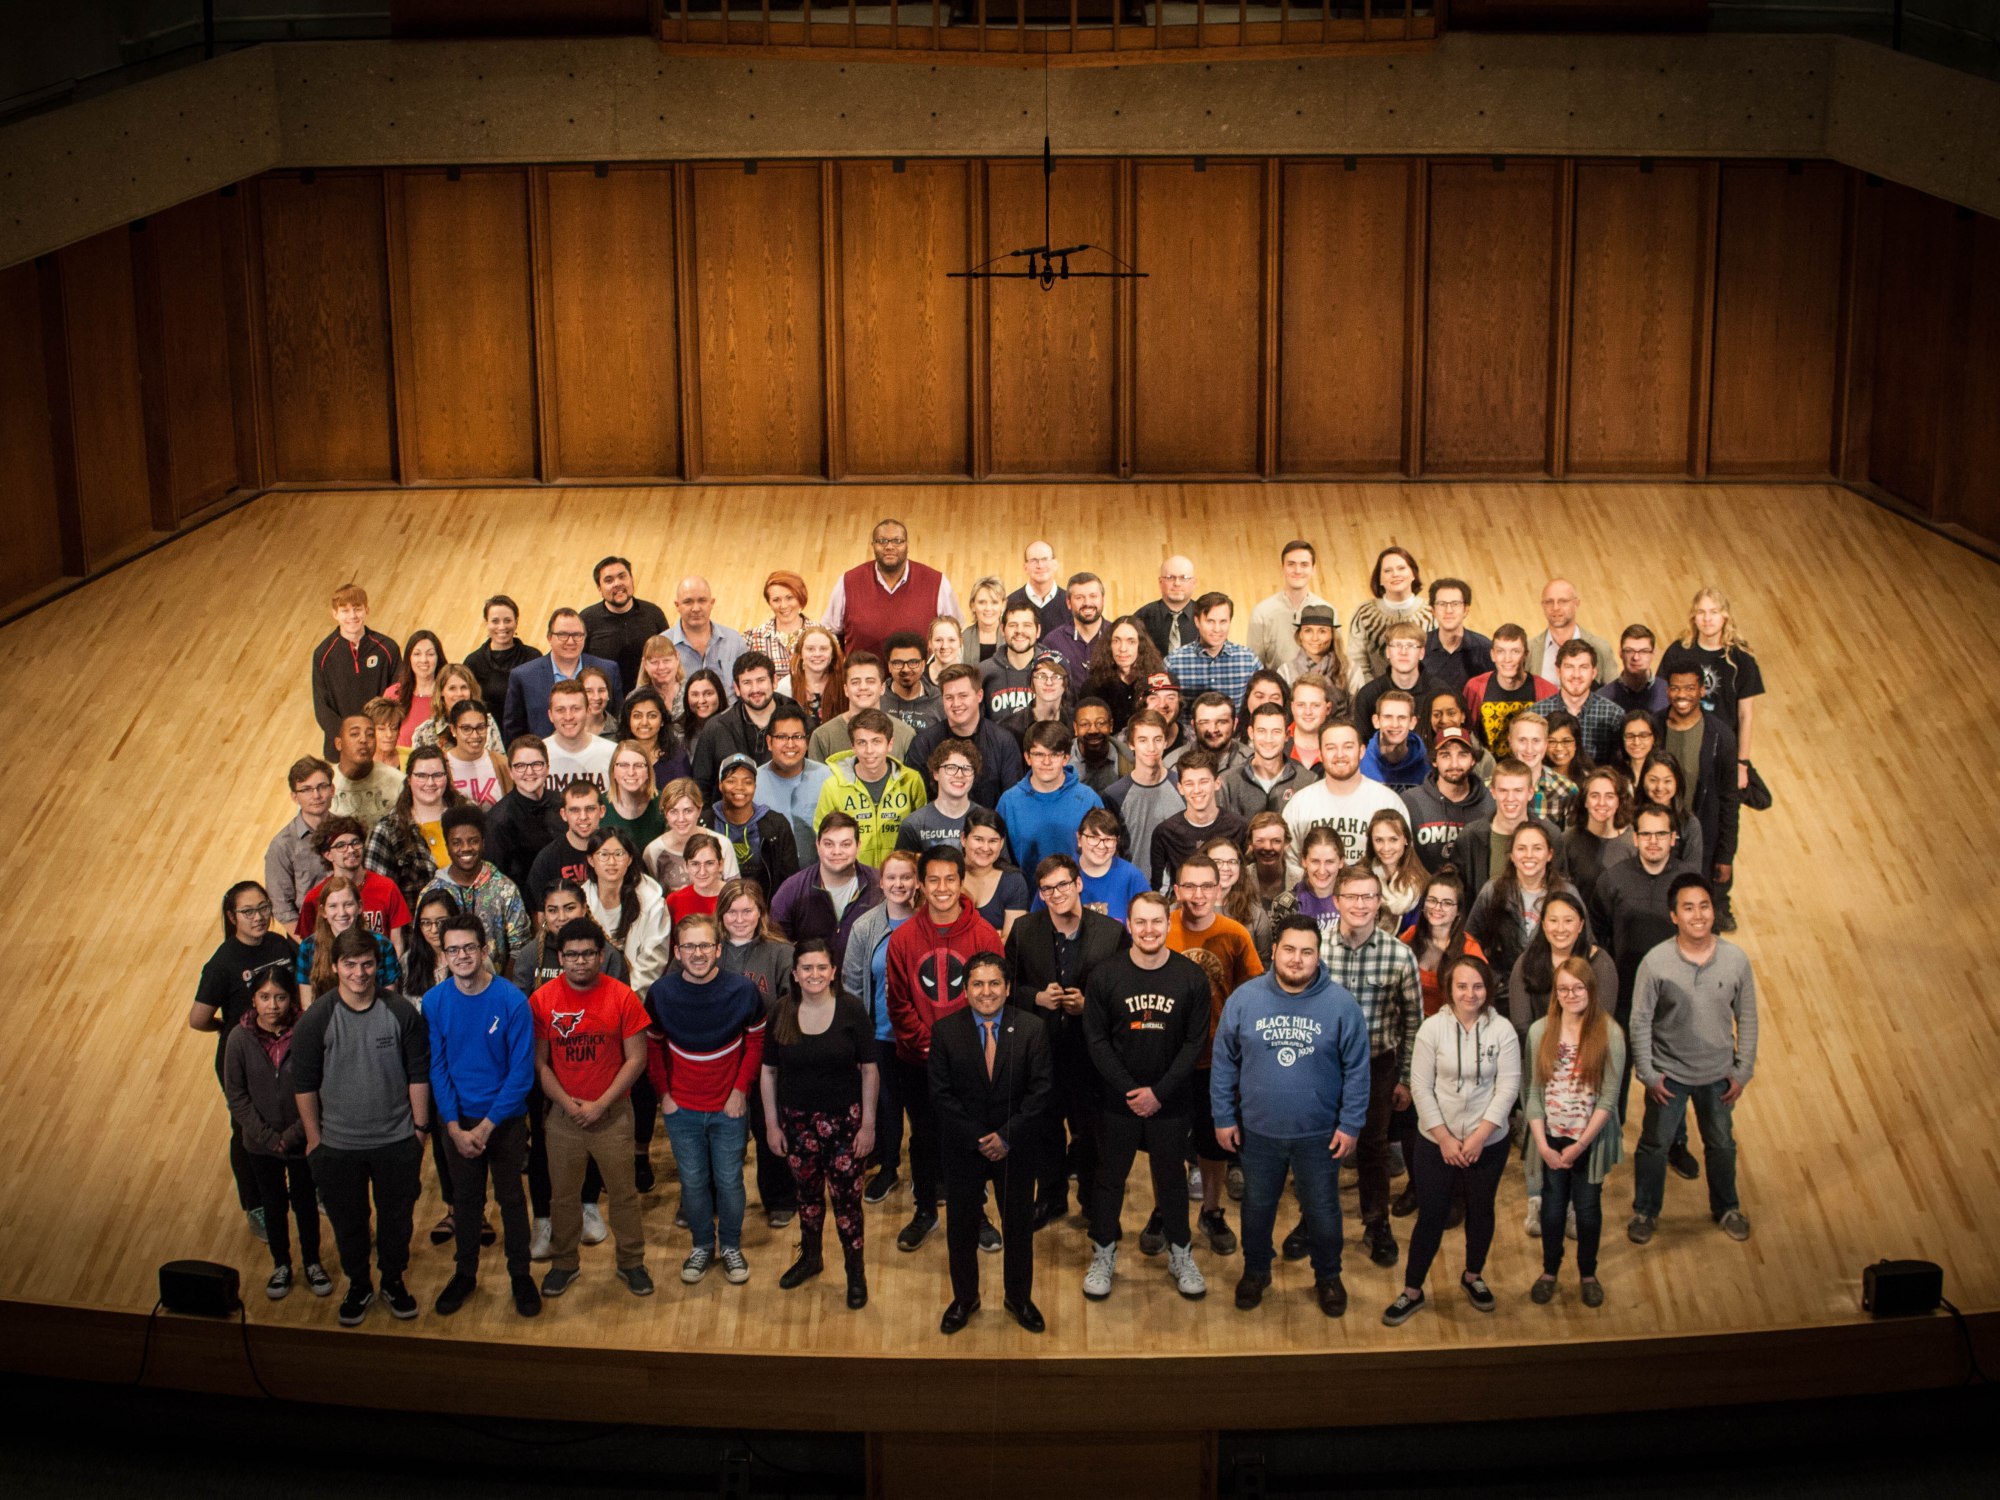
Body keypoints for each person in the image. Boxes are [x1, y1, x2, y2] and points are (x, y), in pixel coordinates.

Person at [1212, 915, 1370, 1316]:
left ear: (1318, 956)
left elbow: (1357, 1070)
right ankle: (1256, 1270)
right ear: (1273, 952)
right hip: (1257, 1132)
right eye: (1289, 950)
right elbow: (1224, 1062)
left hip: (1319, 1135)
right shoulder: (1244, 999)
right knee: (1256, 1208)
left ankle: (1328, 1275)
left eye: (1307, 952)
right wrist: (1223, 1116)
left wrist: (1351, 1124)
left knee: (1323, 1211)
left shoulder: (1342, 1005)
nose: (1297, 959)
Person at [292, 927, 429, 1327]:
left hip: (396, 1140)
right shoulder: (317, 1019)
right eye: (350, 964)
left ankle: (393, 1281)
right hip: (338, 1146)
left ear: (377, 965)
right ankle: (358, 1284)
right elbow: (304, 1085)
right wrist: (315, 1140)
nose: (359, 973)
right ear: (335, 967)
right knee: (349, 1224)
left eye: (367, 964)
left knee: (396, 1221)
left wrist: (420, 1131)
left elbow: (418, 1074)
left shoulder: (400, 1012)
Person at [1078, 891, 1210, 1300]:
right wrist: (1131, 1090)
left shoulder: (1191, 977)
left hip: (1170, 1101)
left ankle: (1180, 1253)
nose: (1149, 930)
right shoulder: (1105, 975)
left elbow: (1194, 1043)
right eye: (1141, 922)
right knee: (1108, 1179)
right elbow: (1096, 1040)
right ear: (1129, 925)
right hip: (1117, 1101)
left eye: (1157, 922)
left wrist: (1159, 1092)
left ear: (1168, 925)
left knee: (1171, 1180)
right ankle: (1103, 1253)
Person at [1381, 953, 1521, 1326]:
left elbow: (1508, 1089)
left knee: (1481, 1210)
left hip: (1487, 1143)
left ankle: (1473, 1276)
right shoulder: (1431, 1029)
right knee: (1430, 1215)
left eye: (1478, 986)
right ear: (1449, 989)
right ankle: (1412, 1290)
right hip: (1435, 1142)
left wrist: (1479, 1137)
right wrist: (1443, 1137)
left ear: (1488, 988)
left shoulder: (1503, 1030)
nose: (1470, 993)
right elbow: (1421, 1087)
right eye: (1462, 986)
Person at [931, 949, 1058, 1342]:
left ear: (1007, 989)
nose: (986, 992)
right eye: (978, 984)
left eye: (994, 984)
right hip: (963, 1149)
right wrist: (977, 1138)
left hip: (1015, 1148)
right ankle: (964, 1299)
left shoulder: (1033, 1029)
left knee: (1018, 1228)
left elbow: (1041, 1092)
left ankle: (1018, 1298)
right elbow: (940, 1095)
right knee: (961, 1230)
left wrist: (1006, 1136)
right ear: (965, 989)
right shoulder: (945, 1031)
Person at [1302, 865, 1423, 1271]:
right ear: (1336, 901)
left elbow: (1413, 1022)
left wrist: (1405, 1078)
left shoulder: (1399, 954)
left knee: (1372, 1146)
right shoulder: (1315, 948)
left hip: (1376, 1064)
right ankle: (1311, 1218)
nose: (1360, 904)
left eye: (1368, 896)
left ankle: (1376, 1222)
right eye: (1351, 896)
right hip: (1321, 1064)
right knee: (1319, 1143)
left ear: (1379, 902)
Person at [885, 845, 1004, 1256]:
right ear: (920, 884)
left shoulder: (984, 935)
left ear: (961, 881)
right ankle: (925, 1210)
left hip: (972, 1060)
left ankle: (976, 1212)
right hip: (917, 1061)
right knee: (923, 1138)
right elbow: (899, 1002)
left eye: (950, 879)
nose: (941, 888)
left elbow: (993, 998)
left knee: (972, 1137)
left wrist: (964, 1050)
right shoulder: (903, 938)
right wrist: (930, 1047)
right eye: (932, 880)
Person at [1628, 874, 1758, 1245]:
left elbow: (1748, 1018)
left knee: (1721, 1145)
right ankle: (1645, 1212)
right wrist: (1648, 1074)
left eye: (1704, 906)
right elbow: (1640, 1021)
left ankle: (1727, 1207)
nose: (1698, 915)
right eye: (1688, 908)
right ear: (1674, 916)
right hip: (1668, 1077)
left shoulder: (1735, 960)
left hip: (1718, 1076)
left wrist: (1742, 1071)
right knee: (1654, 1146)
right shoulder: (1656, 963)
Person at [1005, 854, 1131, 1228]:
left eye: (1062, 884)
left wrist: (1089, 1006)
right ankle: (1051, 1197)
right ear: (1040, 894)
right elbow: (1006, 987)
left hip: (1091, 1055)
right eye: (1047, 889)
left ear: (1078, 884)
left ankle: (1093, 1202)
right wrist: (1036, 998)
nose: (1056, 893)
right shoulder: (1024, 930)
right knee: (1044, 1129)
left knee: (1092, 1134)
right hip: (1040, 1051)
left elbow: (1126, 993)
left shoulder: (1111, 933)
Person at [423, 911, 538, 1318]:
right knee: (466, 1201)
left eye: (469, 947)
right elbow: (437, 1068)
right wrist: (454, 1127)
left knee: (511, 1199)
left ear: (484, 949)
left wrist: (486, 1127)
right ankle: (465, 1274)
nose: (461, 956)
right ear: (443, 955)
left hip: (502, 1122)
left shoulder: (512, 1001)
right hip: (458, 1122)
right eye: (452, 949)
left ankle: (520, 1275)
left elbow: (521, 1073)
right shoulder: (435, 1002)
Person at [530, 916, 652, 1299]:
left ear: (601, 956)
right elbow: (539, 1064)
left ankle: (631, 1263)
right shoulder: (542, 1000)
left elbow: (637, 1058)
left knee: (623, 1195)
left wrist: (601, 1104)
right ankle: (564, 1264)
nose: (579, 961)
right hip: (563, 1117)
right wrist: (568, 1104)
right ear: (560, 958)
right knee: (562, 1197)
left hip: (613, 1115)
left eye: (587, 954)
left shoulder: (622, 996)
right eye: (572, 955)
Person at [645, 911, 765, 1285]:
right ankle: (701, 1245)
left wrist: (740, 1091)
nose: (697, 953)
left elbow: (756, 1041)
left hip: (729, 1107)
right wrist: (664, 1095)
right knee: (693, 1182)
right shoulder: (661, 993)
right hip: (681, 1109)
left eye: (705, 945)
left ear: (718, 949)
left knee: (729, 1181)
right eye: (689, 946)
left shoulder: (743, 991)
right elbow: (653, 1046)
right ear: (677, 952)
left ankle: (729, 1245)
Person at [760, 939, 875, 1307]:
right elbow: (768, 1072)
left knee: (847, 1203)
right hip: (796, 1124)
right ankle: (811, 1258)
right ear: (795, 974)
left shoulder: (851, 1009)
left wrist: (869, 1125)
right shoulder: (782, 1011)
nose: (814, 974)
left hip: (845, 1124)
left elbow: (870, 1070)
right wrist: (772, 1125)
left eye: (821, 967)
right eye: (806, 968)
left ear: (833, 971)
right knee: (807, 1197)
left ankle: (855, 1273)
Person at [191, 882, 299, 1242]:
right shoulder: (223, 963)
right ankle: (256, 1205)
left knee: (297, 1114)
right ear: (231, 917)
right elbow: (198, 1018)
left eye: (263, 908)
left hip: (285, 1048)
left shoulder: (279, 944)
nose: (258, 917)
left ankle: (306, 1187)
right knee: (248, 1129)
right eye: (248, 911)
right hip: (245, 1056)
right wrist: (226, 1028)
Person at [1168, 853, 1264, 1255]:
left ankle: (1211, 1210)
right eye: (1189, 886)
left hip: (1217, 1058)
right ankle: (1165, 1210)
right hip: (1168, 1059)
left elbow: (1255, 995)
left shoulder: (1235, 934)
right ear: (1176, 890)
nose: (1197, 895)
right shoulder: (1162, 927)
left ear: (1220, 888)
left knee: (1214, 1142)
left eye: (1206, 886)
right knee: (1167, 1143)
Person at [1526, 955, 1626, 1307]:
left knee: (1587, 1210)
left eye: (1578, 988)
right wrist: (1543, 1145)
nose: (1571, 995)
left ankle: (1588, 1273)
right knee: (1552, 1211)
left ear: (1590, 989)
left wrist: (1580, 1145)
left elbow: (1609, 1098)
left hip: (1588, 1142)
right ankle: (1549, 1271)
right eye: (1563, 989)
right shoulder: (1540, 1031)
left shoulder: (1610, 1033)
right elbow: (1533, 1093)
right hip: (1550, 1139)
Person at [222, 970, 328, 1300]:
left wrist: (296, 1133)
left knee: (305, 1203)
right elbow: (236, 1094)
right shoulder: (238, 1039)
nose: (272, 1005)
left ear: (291, 999)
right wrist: (268, 1137)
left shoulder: (306, 1031)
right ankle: (281, 1264)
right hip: (260, 1144)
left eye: (280, 997)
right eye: (265, 997)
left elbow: (320, 1084)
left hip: (301, 1139)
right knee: (273, 1204)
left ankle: (312, 1262)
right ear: (253, 1000)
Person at [1659, 586, 1766, 805]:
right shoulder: (1678, 651)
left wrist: (1742, 764)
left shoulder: (1742, 660)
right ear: (1694, 616)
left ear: (1724, 616)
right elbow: (1661, 699)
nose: (1707, 619)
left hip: (1720, 749)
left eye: (1713, 612)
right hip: (1681, 743)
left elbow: (1745, 715)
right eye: (1701, 612)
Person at [1661, 665, 1744, 931]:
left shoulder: (1721, 736)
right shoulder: (1654, 726)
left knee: (1698, 919)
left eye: (1689, 688)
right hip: (1658, 836)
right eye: (1675, 688)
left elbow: (1729, 800)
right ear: (1667, 691)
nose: (1681, 695)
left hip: (1700, 839)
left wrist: (1725, 855)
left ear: (1702, 690)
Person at [1467, 823, 1577, 1011]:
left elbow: (1585, 944)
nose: (1529, 855)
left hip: (1554, 997)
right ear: (1511, 855)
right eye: (1521, 848)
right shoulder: (1492, 891)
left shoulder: (1567, 893)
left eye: (1537, 848)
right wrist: (1493, 979)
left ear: (1550, 854)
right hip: (1503, 997)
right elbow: (1470, 941)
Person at [822, 517, 965, 661]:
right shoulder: (848, 582)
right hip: (862, 675)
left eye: (897, 541)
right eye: (882, 541)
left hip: (920, 676)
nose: (889, 546)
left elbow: (955, 635)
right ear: (873, 545)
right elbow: (829, 634)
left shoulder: (937, 582)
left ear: (907, 545)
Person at [421, 805, 532, 980]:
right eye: (457, 843)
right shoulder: (432, 891)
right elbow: (422, 946)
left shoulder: (505, 889)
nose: (466, 848)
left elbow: (520, 946)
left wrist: (500, 987)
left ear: (483, 843)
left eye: (473, 841)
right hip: (444, 988)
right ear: (447, 847)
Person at [1281, 721, 1412, 867]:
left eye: (1348, 747)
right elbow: (1289, 864)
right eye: (1331, 748)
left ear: (1361, 751)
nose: (1340, 755)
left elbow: (1404, 862)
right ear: (1320, 754)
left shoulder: (1388, 802)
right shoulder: (1300, 804)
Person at [813, 709, 929, 868]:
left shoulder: (911, 780)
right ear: (853, 746)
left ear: (890, 744)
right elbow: (824, 838)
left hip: (901, 875)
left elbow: (921, 834)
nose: (869, 750)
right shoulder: (832, 786)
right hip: (853, 875)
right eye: (862, 742)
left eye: (876, 741)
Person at [770, 812, 883, 971]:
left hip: (867, 982)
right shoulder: (792, 889)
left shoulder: (880, 885)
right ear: (817, 845)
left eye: (845, 844)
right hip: (812, 983)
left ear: (858, 846)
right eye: (829, 844)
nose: (837, 851)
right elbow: (776, 946)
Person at [908, 663, 1026, 810]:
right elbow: (917, 802)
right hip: (938, 823)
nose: (956, 703)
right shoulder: (924, 743)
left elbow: (1012, 802)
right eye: (949, 697)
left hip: (990, 823)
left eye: (963, 696)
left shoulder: (1003, 742)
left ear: (979, 695)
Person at [365, 744, 467, 912]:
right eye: (421, 776)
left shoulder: (468, 815)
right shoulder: (388, 830)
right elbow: (378, 898)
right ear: (409, 779)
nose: (430, 782)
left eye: (437, 775)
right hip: (414, 926)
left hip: (468, 922)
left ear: (447, 777)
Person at [996, 721, 1102, 876]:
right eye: (1039, 754)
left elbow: (1102, 855)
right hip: (1027, 890)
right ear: (1027, 757)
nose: (1046, 762)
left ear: (1066, 758)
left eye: (1054, 754)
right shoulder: (1009, 802)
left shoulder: (1088, 799)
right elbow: (1000, 861)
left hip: (1080, 889)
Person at [691, 651, 799, 803]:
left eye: (761, 680)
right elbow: (700, 786)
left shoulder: (798, 721)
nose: (755, 689)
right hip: (730, 814)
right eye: (747, 682)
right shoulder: (716, 728)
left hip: (788, 811)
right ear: (736, 688)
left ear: (774, 681)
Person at [502, 608, 622, 744]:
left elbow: (620, 720)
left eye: (577, 635)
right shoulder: (523, 676)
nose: (570, 641)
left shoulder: (608, 670)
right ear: (549, 637)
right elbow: (513, 733)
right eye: (563, 635)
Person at [311, 582, 400, 758]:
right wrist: (349, 738)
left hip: (380, 748)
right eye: (345, 610)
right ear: (335, 614)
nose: (352, 616)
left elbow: (397, 696)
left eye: (357, 609)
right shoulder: (323, 654)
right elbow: (322, 706)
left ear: (367, 610)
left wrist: (378, 735)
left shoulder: (387, 648)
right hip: (341, 750)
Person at [1454, 758, 1562, 899]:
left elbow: (1561, 891)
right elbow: (1460, 895)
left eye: (1518, 790)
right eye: (1503, 790)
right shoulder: (1470, 836)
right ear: (1493, 792)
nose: (1510, 798)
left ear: (1530, 793)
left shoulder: (1551, 835)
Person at [585, 828, 672, 991]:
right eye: (603, 855)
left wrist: (625, 997)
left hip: (636, 993)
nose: (611, 862)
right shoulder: (580, 902)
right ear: (591, 860)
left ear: (630, 859)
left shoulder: (652, 902)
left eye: (619, 854)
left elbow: (653, 960)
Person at [295, 876, 403, 1006]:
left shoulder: (382, 945)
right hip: (326, 1016)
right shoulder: (308, 946)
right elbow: (308, 1005)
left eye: (348, 905)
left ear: (360, 907)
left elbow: (390, 1001)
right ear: (323, 911)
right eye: (333, 906)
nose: (342, 913)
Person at [1148, 750, 1247, 892]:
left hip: (1232, 903)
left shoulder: (1239, 827)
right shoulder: (1165, 833)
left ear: (1217, 783)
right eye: (1189, 783)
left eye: (1203, 782)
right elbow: (1158, 888)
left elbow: (1246, 881)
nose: (1197, 790)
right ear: (1180, 788)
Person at [1400, 726, 1494, 875]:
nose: (1454, 764)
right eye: (1445, 755)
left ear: (1473, 760)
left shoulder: (1491, 803)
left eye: (1462, 755)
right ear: (1434, 760)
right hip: (1424, 888)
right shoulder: (1410, 801)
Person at [1102, 709, 1183, 877]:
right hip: (1132, 885)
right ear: (1131, 744)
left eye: (1157, 739)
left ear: (1166, 742)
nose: (1151, 748)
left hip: (1178, 887)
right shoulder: (1114, 795)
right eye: (1143, 740)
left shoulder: (1182, 787)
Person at [707, 753, 802, 895]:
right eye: (731, 781)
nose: (740, 787)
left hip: (764, 906)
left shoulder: (777, 825)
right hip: (714, 905)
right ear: (721, 785)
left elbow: (791, 881)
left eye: (748, 782)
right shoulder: (704, 823)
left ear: (755, 786)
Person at [1344, 546, 1433, 692]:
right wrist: (1374, 692)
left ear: (1413, 574)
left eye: (1401, 568)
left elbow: (1438, 660)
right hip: (1377, 695)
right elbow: (1357, 662)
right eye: (1387, 571)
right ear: (1379, 579)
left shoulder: (1432, 612)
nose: (1395, 574)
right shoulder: (1364, 613)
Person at [487, 736, 563, 898]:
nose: (529, 772)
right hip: (523, 902)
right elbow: (496, 879)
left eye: (536, 764)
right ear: (510, 772)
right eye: (520, 766)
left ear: (547, 768)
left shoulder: (563, 803)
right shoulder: (499, 819)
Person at [809, 652, 918, 764]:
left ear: (882, 688)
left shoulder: (905, 735)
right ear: (846, 690)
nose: (863, 687)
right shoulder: (823, 736)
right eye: (855, 682)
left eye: (870, 681)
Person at [1462, 624, 1554, 755]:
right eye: (1501, 651)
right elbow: (1467, 735)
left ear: (1526, 655)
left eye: (1515, 651)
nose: (1507, 659)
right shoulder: (1474, 687)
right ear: (1492, 655)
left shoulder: (1546, 690)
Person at [267, 758, 335, 931]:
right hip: (309, 933)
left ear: (332, 789)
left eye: (322, 787)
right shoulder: (282, 845)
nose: (316, 795)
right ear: (294, 797)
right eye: (306, 790)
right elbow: (282, 908)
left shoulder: (348, 831)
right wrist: (309, 943)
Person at [756, 706, 832, 862]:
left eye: (797, 737)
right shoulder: (753, 783)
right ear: (769, 742)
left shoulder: (827, 778)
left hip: (819, 872)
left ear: (807, 741)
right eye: (782, 737)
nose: (790, 744)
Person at [1164, 592, 1259, 715]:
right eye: (1210, 621)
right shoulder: (1173, 663)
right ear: (1197, 621)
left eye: (1223, 621)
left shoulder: (1249, 661)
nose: (1217, 629)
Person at [640, 778, 741, 894]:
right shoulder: (653, 851)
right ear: (665, 813)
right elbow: (651, 896)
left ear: (699, 810)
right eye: (673, 811)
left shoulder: (722, 844)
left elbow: (735, 894)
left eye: (688, 811)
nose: (681, 819)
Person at [1532, 638, 1624, 765]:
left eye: (1583, 667)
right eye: (1569, 667)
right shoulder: (1536, 714)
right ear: (1558, 671)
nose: (1576, 675)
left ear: (1594, 672)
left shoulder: (1614, 715)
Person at [1247, 539, 1333, 670]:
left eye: (1304, 565)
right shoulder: (1261, 613)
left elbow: (1335, 664)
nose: (1297, 570)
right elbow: (1254, 667)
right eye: (1291, 564)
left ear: (1313, 569)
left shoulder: (1328, 612)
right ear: (1282, 568)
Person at [1353, 622, 1442, 746]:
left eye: (1411, 646)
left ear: (1422, 653)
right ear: (1388, 652)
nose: (1403, 652)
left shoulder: (1440, 692)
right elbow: (1362, 744)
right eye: (1397, 645)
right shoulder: (1368, 695)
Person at [1558, 767, 1635, 907]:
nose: (1601, 803)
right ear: (1585, 801)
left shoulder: (1633, 842)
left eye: (1609, 796)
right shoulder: (1567, 840)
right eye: (1595, 796)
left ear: (1619, 801)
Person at [1220, 701, 1308, 820]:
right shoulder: (1228, 782)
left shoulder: (1306, 780)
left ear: (1287, 735)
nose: (1268, 739)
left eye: (1276, 732)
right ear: (1251, 733)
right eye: (1261, 731)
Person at [527, 781, 606, 911]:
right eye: (574, 810)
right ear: (563, 814)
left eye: (590, 809)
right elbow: (540, 914)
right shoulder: (547, 859)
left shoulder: (617, 851)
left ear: (602, 811)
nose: (583, 817)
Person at [897, 739, 982, 854]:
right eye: (951, 768)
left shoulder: (985, 820)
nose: (959, 775)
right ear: (936, 773)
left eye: (967, 769)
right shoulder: (914, 824)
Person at [664, 575, 746, 695]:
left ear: (712, 603)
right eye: (688, 602)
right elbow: (642, 695)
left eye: (702, 600)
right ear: (677, 605)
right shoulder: (661, 645)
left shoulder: (735, 641)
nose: (696, 608)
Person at [1083, 615, 1167, 730]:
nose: (1123, 648)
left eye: (1131, 642)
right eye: (1116, 641)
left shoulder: (1155, 684)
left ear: (1141, 646)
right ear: (1109, 645)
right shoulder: (1093, 686)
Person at [1527, 578, 1614, 686]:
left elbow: (1614, 692)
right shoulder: (1529, 650)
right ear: (1543, 606)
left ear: (1576, 604)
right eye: (1549, 602)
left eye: (1563, 601)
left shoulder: (1600, 648)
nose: (1555, 607)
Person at [960, 808, 1031, 939]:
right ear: (963, 838)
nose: (985, 848)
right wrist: (993, 936)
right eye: (978, 839)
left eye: (993, 841)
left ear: (1001, 843)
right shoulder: (948, 876)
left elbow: (1012, 942)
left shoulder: (1014, 881)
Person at [328, 713, 404, 834]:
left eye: (370, 735)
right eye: (354, 734)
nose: (363, 740)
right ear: (339, 743)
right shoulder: (323, 783)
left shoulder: (397, 781)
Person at [464, 594, 541, 709]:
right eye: (495, 621)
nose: (502, 627)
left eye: (507, 620)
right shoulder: (473, 662)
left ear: (516, 622)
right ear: (486, 623)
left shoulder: (533, 657)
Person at [1075, 807, 1151, 922]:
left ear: (1117, 841)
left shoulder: (1132, 876)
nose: (1101, 846)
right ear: (1079, 839)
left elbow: (1149, 920)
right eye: (1093, 838)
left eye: (1108, 839)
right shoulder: (1064, 874)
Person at [743, 568, 821, 680]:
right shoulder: (752, 638)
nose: (783, 606)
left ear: (800, 598)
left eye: (789, 598)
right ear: (769, 603)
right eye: (776, 600)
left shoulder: (823, 634)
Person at [544, 680, 615, 801]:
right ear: (550, 715)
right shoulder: (538, 755)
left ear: (588, 711)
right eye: (560, 710)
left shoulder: (612, 753)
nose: (568, 717)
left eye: (575, 709)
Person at [1422, 577, 1494, 695]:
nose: (1448, 610)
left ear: (1466, 610)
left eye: (1455, 604)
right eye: (1442, 604)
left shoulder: (1484, 647)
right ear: (1433, 610)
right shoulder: (1420, 646)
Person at [979, 601, 1045, 719]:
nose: (1019, 631)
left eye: (1027, 625)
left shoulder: (1052, 670)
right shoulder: (983, 671)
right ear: (1002, 629)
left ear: (1038, 630)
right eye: (1013, 625)